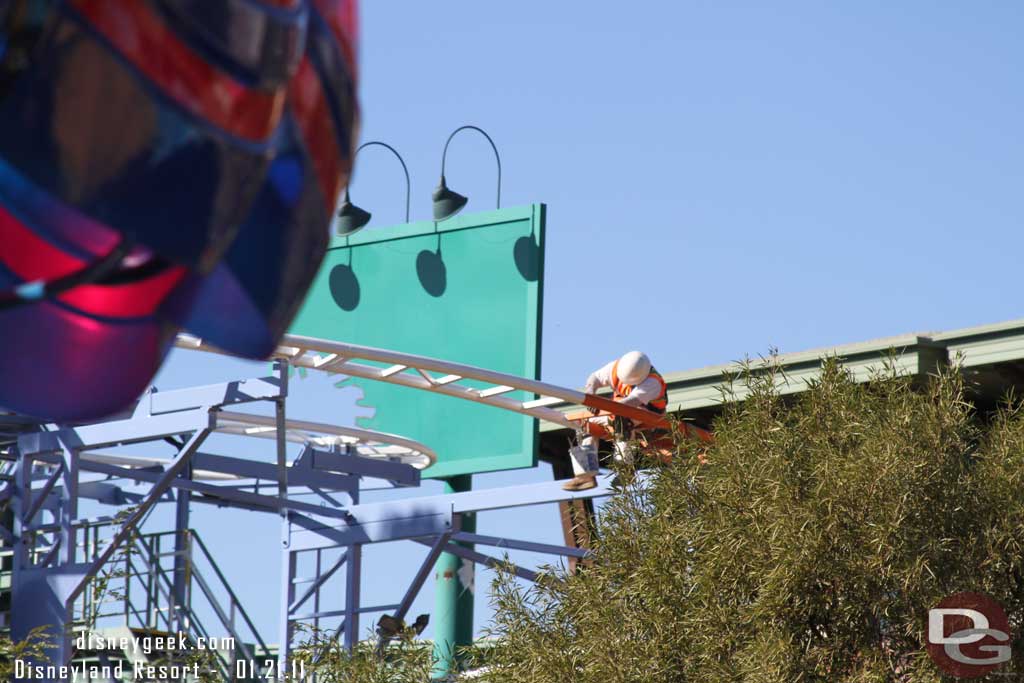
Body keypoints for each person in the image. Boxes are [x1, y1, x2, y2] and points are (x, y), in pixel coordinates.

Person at [563, 351, 667, 491]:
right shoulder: (617, 368)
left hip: (649, 417)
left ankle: (626, 470)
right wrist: (591, 395)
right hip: (619, 410)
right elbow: (594, 378)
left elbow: (628, 404)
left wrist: (601, 406)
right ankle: (586, 475)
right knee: (583, 421)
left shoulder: (652, 382)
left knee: (622, 418)